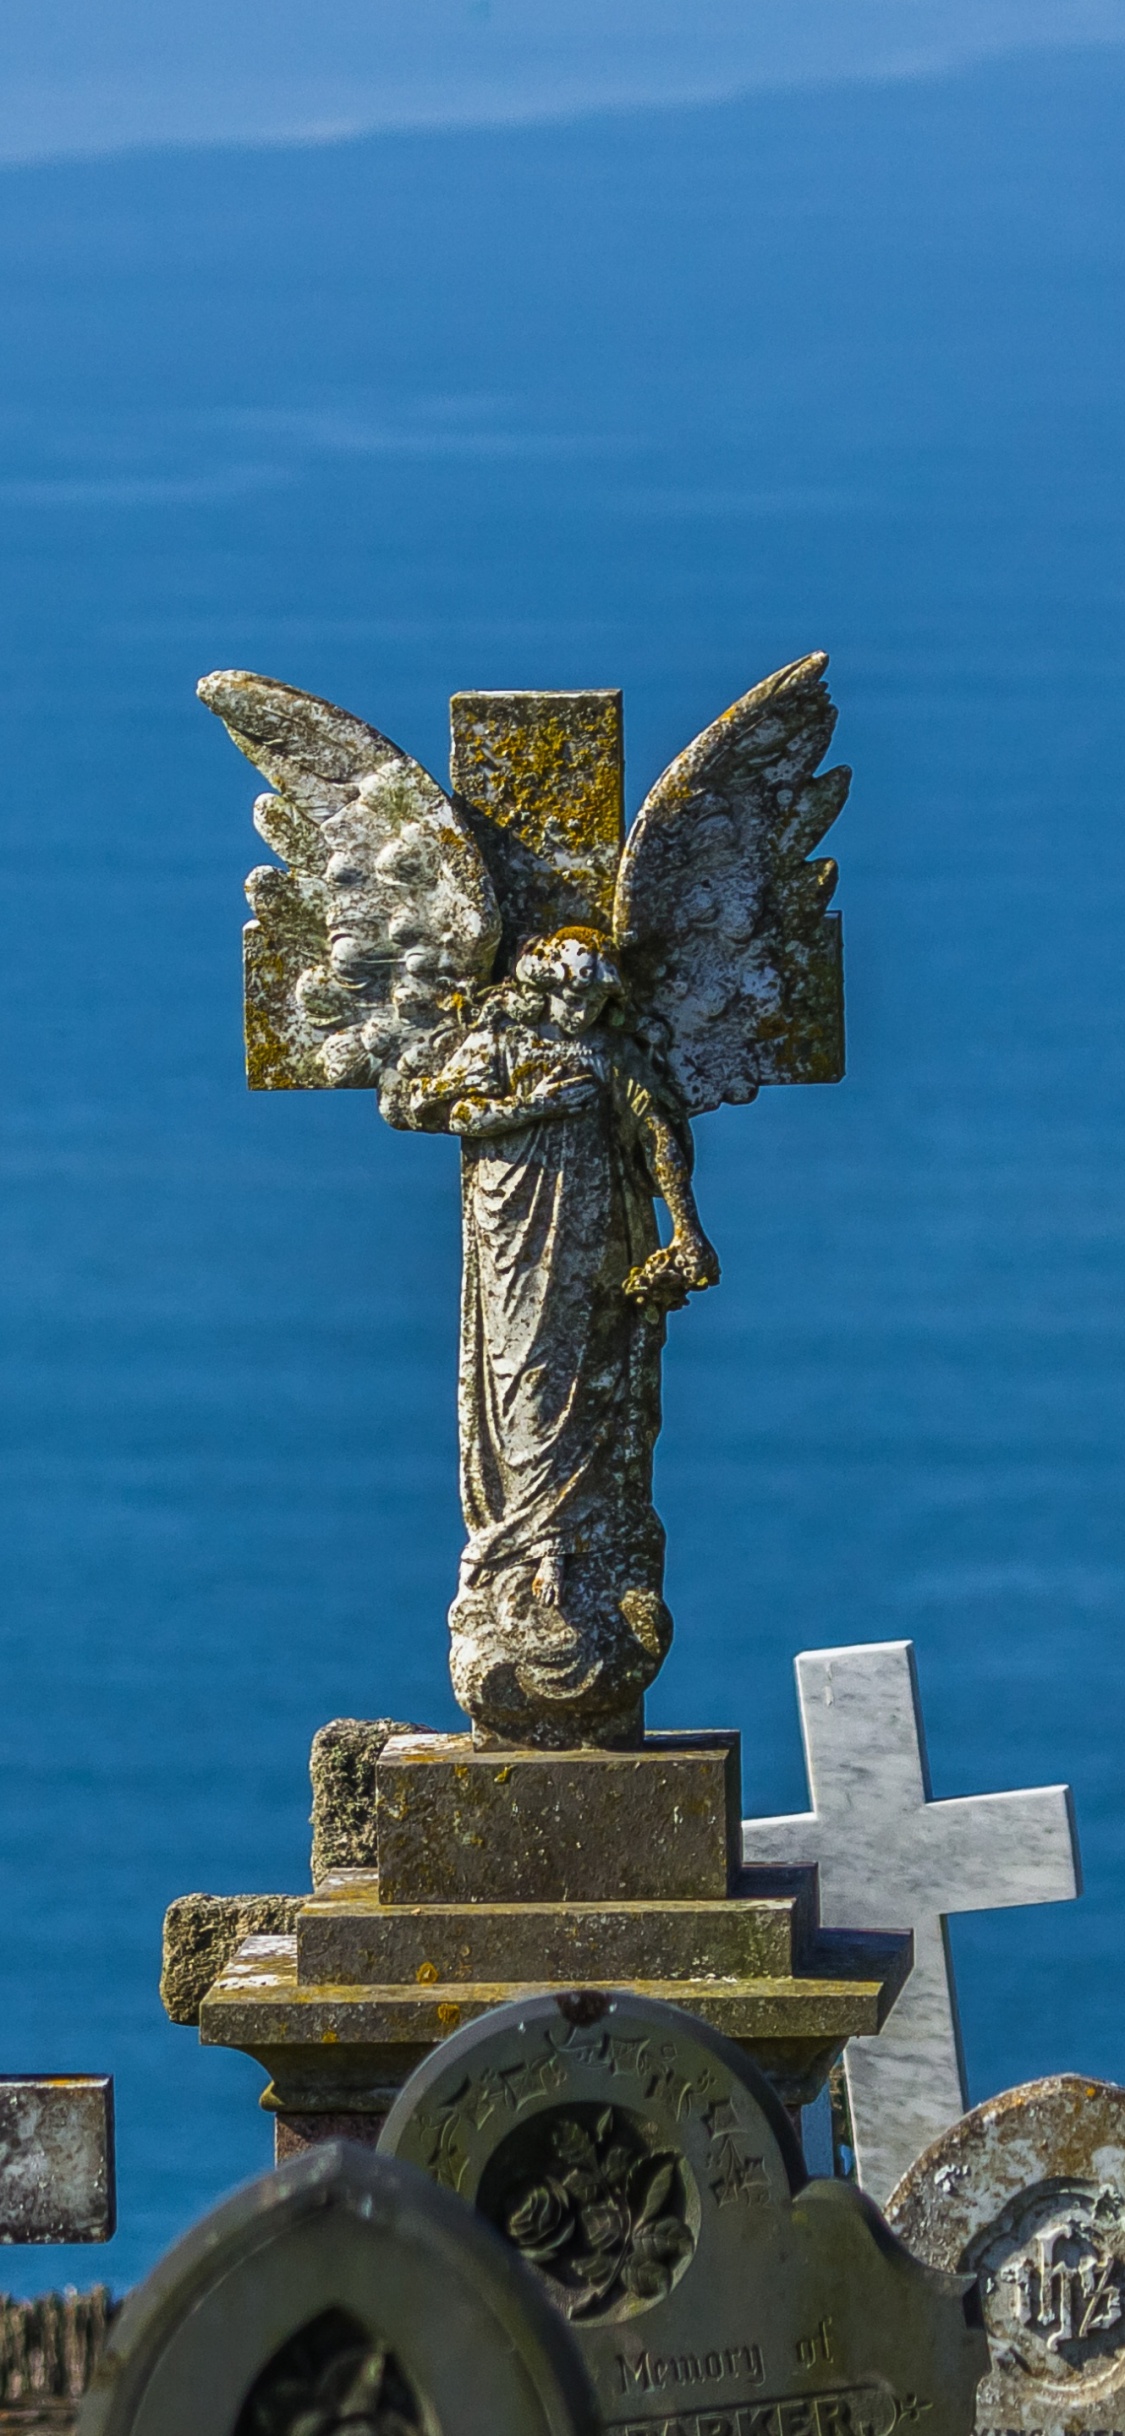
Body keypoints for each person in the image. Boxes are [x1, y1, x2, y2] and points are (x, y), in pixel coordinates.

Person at [401, 925, 719, 1744]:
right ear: (541, 985)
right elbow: (416, 1104)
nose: (582, 1007)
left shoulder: (612, 1057)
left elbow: (659, 1139)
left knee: (589, 1400)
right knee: (521, 1395)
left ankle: (573, 1556)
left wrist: (685, 1234)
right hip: (510, 1255)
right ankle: (519, 1555)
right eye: (570, 992)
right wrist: (534, 1105)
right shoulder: (500, 1043)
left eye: (596, 995)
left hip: (595, 1251)